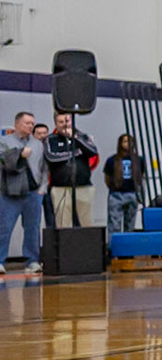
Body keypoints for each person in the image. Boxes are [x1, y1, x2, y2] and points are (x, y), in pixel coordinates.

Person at [0, 111, 44, 272]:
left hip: (32, 193)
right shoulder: (4, 141)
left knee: (33, 228)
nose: (31, 126)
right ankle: (0, 260)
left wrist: (42, 188)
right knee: (4, 228)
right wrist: (19, 155)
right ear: (17, 124)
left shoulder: (37, 144)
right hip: (10, 193)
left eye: (32, 123)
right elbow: (2, 161)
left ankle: (32, 260)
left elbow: (43, 167)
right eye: (27, 123)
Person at [43, 113, 97, 228]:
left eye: (67, 121)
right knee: (63, 224)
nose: (65, 124)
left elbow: (93, 151)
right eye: (61, 122)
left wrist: (75, 139)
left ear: (72, 121)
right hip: (61, 188)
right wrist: (74, 153)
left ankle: (86, 241)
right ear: (55, 123)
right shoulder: (50, 139)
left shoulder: (83, 136)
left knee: (86, 224)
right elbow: (51, 157)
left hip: (83, 186)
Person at [103, 133, 144, 234]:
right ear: (120, 143)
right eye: (125, 141)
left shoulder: (139, 160)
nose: (128, 144)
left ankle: (128, 242)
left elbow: (141, 175)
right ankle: (114, 243)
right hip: (116, 194)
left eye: (130, 141)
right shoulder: (112, 160)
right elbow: (107, 178)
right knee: (114, 224)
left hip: (132, 193)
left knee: (130, 224)